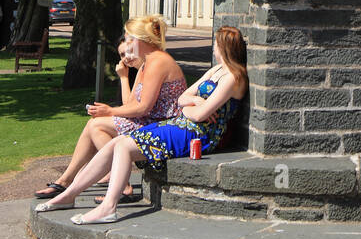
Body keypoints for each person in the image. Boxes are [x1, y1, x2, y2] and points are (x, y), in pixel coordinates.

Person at [36, 26, 248, 225]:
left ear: (222, 47)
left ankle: (109, 207)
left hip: (200, 135)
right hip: (183, 125)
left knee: (124, 147)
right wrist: (194, 104)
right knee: (116, 142)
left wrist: (192, 107)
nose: (213, 47)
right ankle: (69, 194)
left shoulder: (232, 78)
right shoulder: (216, 70)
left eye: (215, 44)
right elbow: (183, 98)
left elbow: (200, 115)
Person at [34, 16, 186, 202]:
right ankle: (68, 181)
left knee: (97, 125)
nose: (128, 44)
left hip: (162, 127)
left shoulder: (158, 61)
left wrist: (109, 111)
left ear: (142, 40)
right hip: (150, 121)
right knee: (95, 125)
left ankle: (115, 185)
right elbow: (130, 105)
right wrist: (123, 78)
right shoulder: (147, 63)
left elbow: (144, 108)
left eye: (130, 39)